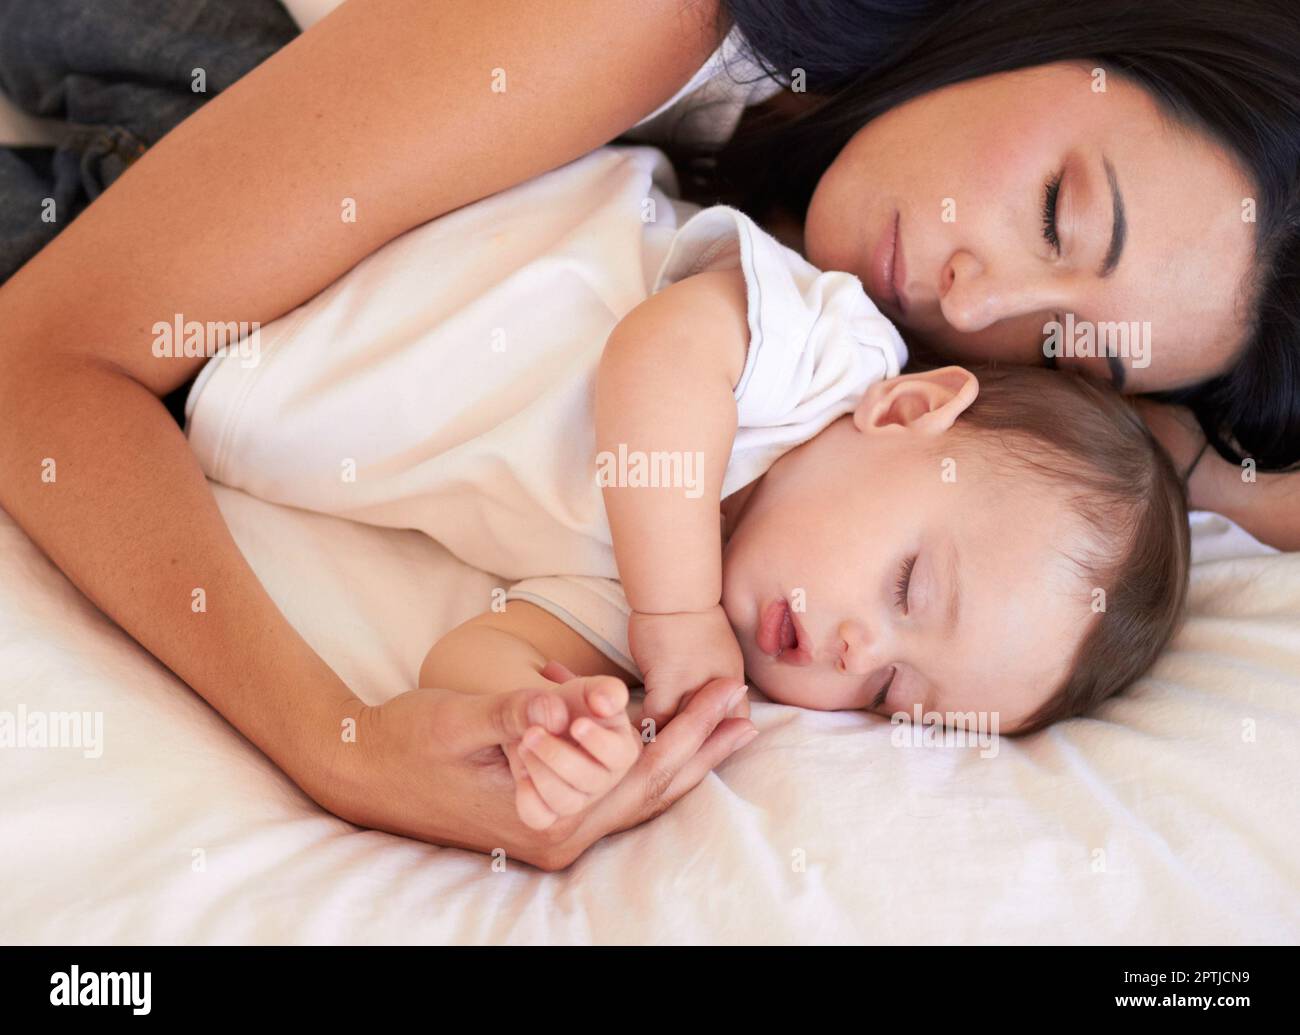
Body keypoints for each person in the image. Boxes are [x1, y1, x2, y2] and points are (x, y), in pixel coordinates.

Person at [0, 0, 1293, 868]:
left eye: (1068, 350)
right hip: (219, 63)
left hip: (209, 350)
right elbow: (44, 363)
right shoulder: (816, 351)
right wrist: (327, 742)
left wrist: (538, 735)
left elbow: (497, 651)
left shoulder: (765, 543)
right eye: (1064, 213)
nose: (976, 302)